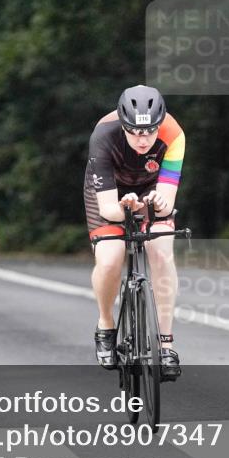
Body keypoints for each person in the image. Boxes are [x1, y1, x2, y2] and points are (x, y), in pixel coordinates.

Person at [84, 85, 185, 380]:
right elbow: (108, 209)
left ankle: (166, 344)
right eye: (134, 132)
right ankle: (105, 324)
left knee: (162, 251)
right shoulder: (103, 135)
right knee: (110, 257)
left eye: (149, 132)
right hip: (110, 194)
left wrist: (156, 204)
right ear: (123, 124)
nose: (142, 140)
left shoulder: (174, 134)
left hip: (151, 188)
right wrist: (125, 207)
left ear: (159, 123)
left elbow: (166, 199)